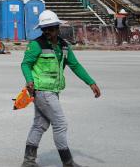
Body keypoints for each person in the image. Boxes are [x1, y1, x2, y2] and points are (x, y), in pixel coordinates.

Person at [20, 10, 101, 167]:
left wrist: (91, 83)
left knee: (40, 124)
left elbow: (75, 65)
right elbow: (25, 64)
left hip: (53, 91)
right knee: (60, 124)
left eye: (51, 28)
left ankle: (28, 161)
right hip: (42, 90)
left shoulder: (64, 46)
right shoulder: (36, 45)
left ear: (58, 28)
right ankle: (67, 162)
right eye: (44, 29)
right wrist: (29, 80)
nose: (47, 32)